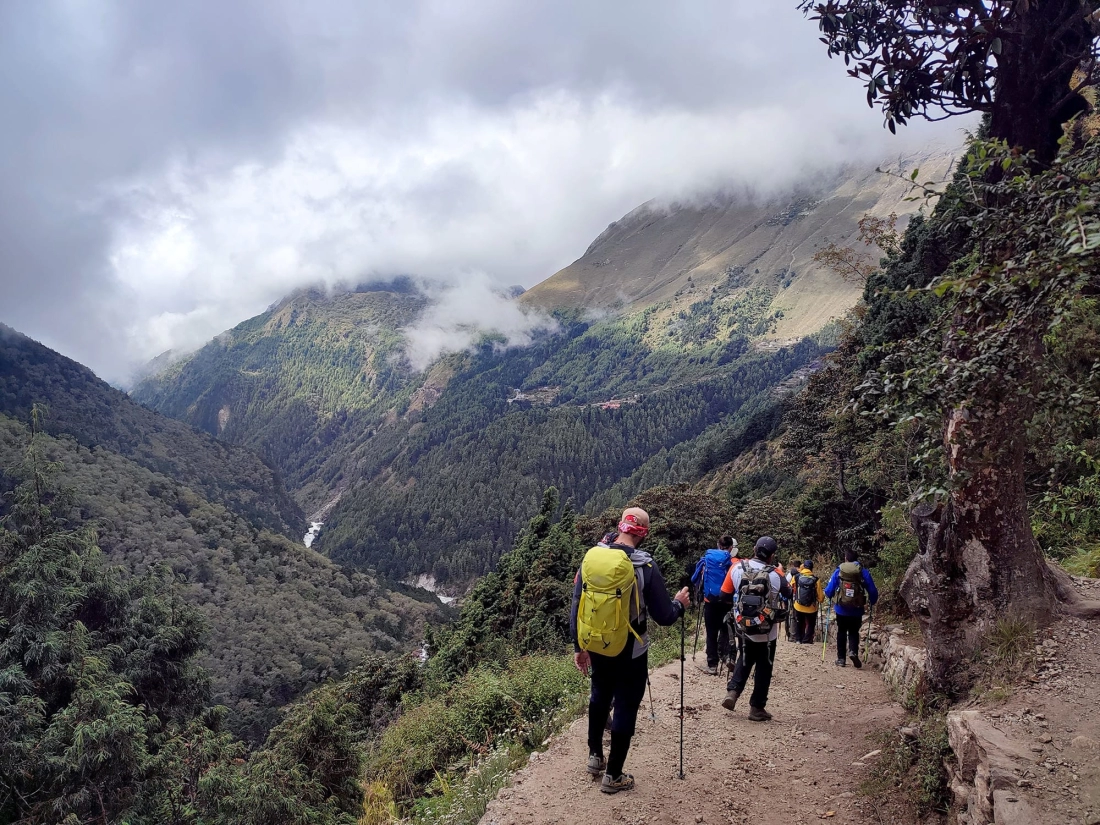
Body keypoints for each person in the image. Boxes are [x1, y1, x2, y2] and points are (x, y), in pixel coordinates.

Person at [571, 507, 690, 794]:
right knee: (624, 703)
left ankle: (594, 757)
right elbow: (664, 616)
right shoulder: (645, 566)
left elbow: (576, 604)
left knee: (599, 696)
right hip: (630, 649)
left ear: (620, 526)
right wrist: (679, 604)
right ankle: (614, 775)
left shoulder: (592, 557)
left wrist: (579, 646)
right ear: (644, 533)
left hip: (597, 642)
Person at [720, 536, 792, 722]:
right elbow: (789, 593)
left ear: (754, 548)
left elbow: (724, 595)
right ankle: (757, 707)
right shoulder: (776, 575)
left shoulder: (736, 568)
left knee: (745, 657)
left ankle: (733, 692)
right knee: (764, 666)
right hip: (768, 631)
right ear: (772, 555)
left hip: (744, 626)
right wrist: (782, 574)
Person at [689, 535, 737, 674]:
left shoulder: (706, 560)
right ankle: (727, 657)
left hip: (710, 601)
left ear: (717, 544)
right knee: (726, 630)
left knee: (711, 633)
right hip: (726, 602)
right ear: (731, 548)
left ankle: (712, 664)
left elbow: (694, 579)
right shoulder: (732, 562)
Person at [824, 549, 879, 668]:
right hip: (856, 608)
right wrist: (872, 601)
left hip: (841, 608)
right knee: (854, 631)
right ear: (856, 559)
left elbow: (829, 590)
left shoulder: (839, 571)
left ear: (846, 558)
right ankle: (853, 651)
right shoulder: (863, 572)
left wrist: (828, 595)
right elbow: (873, 590)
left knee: (841, 631)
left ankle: (841, 659)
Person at [791, 559, 824, 644]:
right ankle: (807, 640)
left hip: (798, 605)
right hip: (811, 607)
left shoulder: (796, 577)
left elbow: (791, 587)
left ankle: (798, 639)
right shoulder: (816, 579)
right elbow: (821, 597)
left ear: (804, 567)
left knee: (799, 622)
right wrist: (820, 600)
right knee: (811, 623)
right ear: (812, 568)